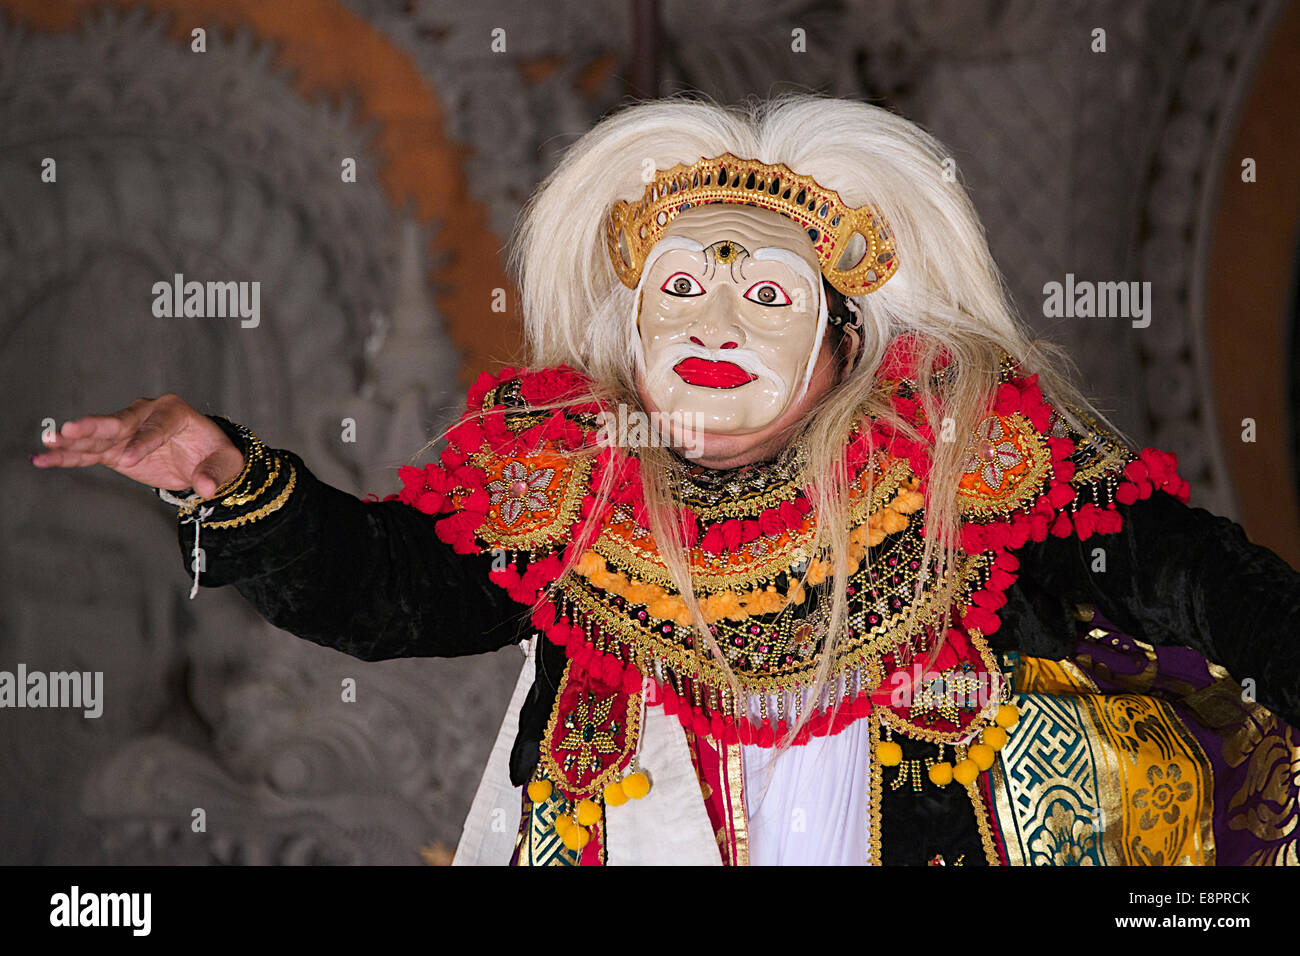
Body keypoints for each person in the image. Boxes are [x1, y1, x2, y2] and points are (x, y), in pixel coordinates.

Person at [31, 95, 1300, 866]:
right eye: (680, 289)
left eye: (765, 295)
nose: (714, 320)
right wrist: (227, 474)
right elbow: (388, 590)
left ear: (840, 335)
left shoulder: (980, 470)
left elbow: (1202, 584)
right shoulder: (561, 479)